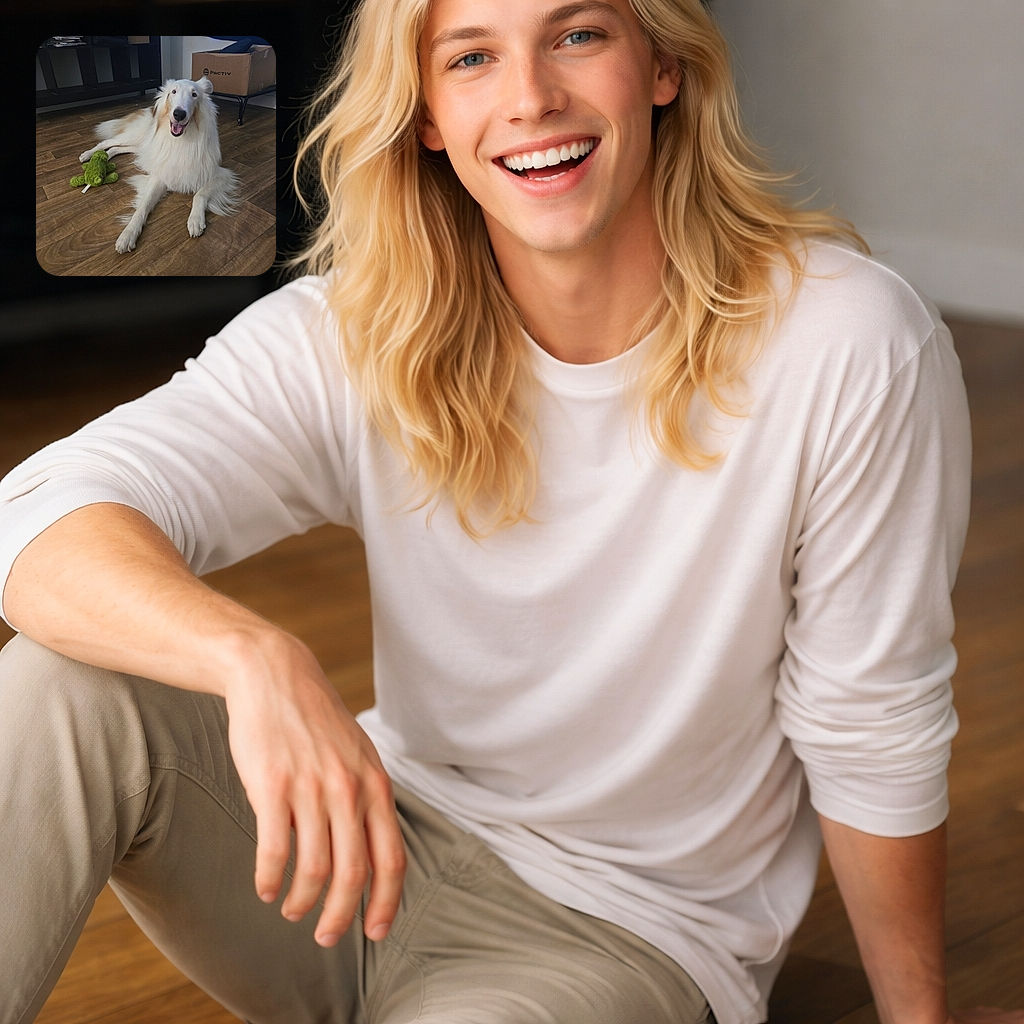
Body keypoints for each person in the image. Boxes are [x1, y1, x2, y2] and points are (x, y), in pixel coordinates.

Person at [1, 1, 1019, 1022]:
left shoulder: (845, 340)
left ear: (662, 66)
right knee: (63, 679)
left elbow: (869, 722)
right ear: (426, 115)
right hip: (358, 854)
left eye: (578, 35)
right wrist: (251, 657)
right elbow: (38, 511)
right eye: (471, 57)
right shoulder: (361, 327)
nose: (530, 98)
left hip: (621, 933)